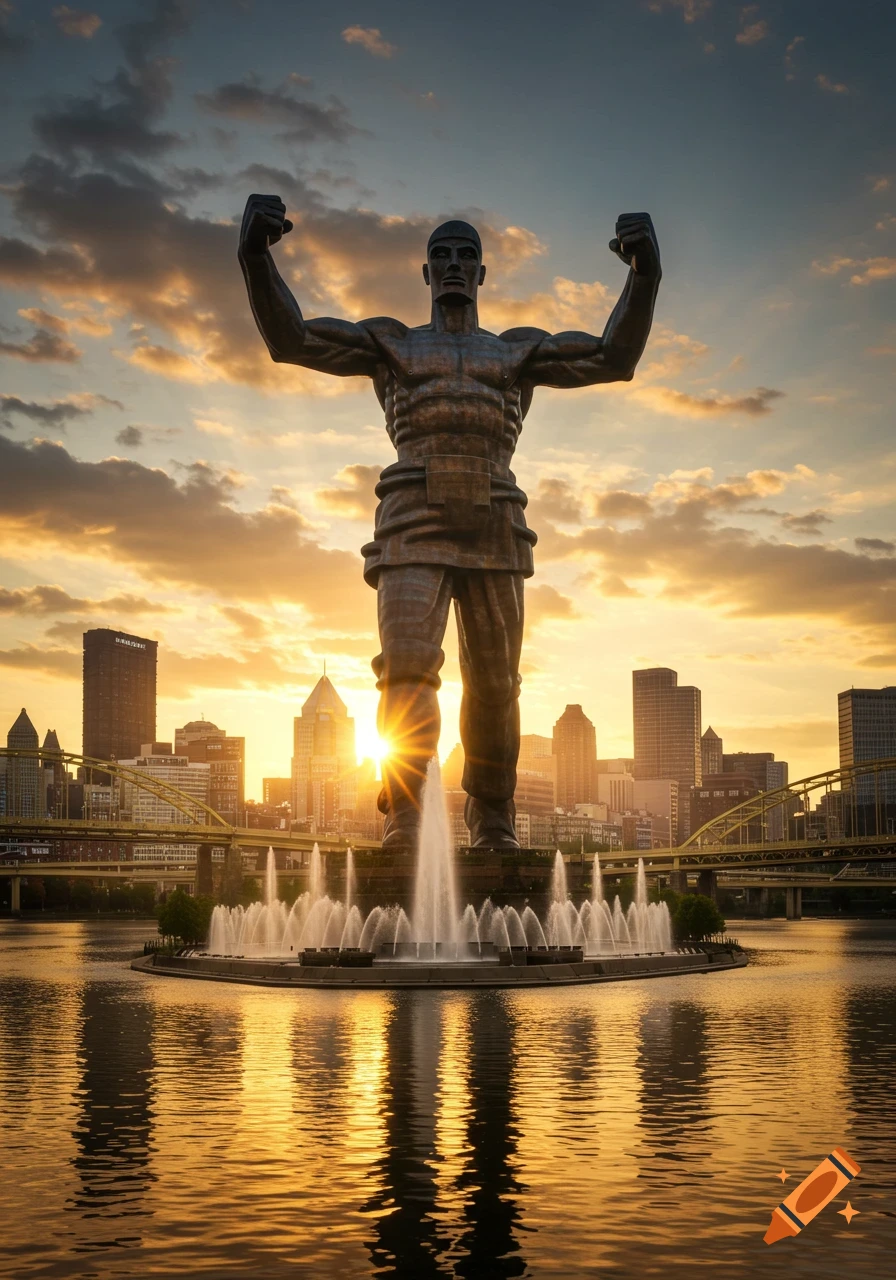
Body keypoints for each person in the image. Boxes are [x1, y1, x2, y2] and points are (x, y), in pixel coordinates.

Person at [239, 198, 661, 848]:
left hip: (496, 513)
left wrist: (644, 274)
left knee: (495, 684)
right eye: (442, 256)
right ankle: (406, 816)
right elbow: (293, 339)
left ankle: (492, 817)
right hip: (413, 509)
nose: (455, 265)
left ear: (483, 273)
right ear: (427, 273)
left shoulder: (516, 351)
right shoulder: (393, 343)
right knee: (406, 669)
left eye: (467, 256)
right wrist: (255, 256)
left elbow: (611, 357)